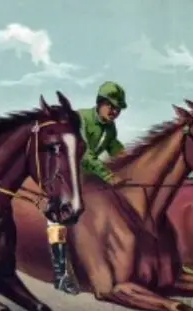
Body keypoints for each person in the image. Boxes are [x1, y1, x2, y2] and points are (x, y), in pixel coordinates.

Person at [47, 81, 128, 295]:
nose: (115, 112)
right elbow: (85, 154)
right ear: (100, 103)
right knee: (57, 218)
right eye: (111, 106)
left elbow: (115, 148)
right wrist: (108, 175)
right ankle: (61, 274)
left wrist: (132, 162)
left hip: (85, 178)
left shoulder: (110, 128)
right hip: (64, 175)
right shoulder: (81, 119)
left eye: (118, 109)